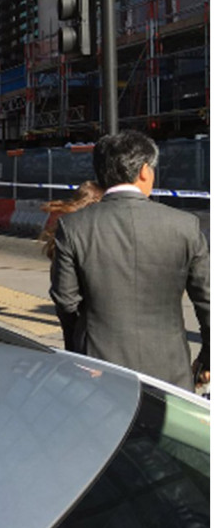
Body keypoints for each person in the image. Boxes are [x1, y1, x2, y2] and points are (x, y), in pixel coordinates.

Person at [49, 130, 209, 391]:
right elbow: (207, 300)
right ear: (145, 171)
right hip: (170, 371)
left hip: (99, 371)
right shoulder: (185, 226)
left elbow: (65, 300)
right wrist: (207, 359)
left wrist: (79, 353)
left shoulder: (73, 226)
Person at [38, 180, 104, 349]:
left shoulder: (67, 230)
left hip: (71, 321)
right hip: (90, 326)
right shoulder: (91, 235)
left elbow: (63, 297)